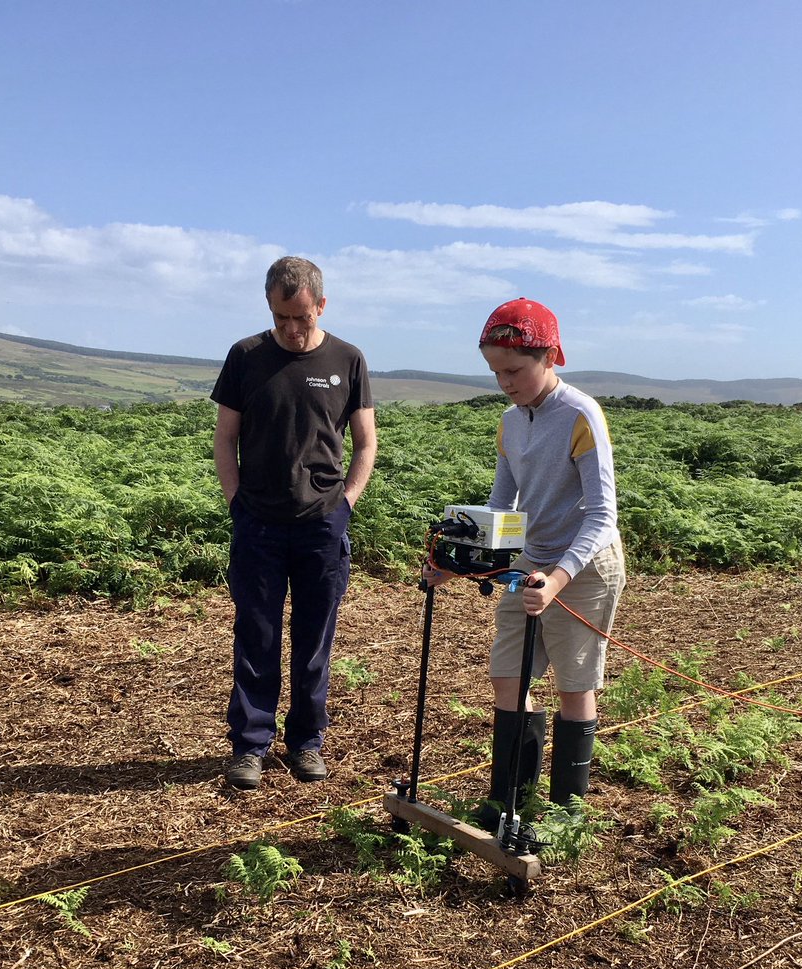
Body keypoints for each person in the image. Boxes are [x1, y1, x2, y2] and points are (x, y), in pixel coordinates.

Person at [425, 298, 625, 817]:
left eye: (514, 370)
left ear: (550, 356)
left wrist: (558, 579)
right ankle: (510, 796)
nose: (506, 382)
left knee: (574, 683)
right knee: (507, 674)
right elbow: (501, 507)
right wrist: (458, 562)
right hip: (530, 566)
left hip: (583, 568)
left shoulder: (581, 414)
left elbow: (602, 515)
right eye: (495, 372)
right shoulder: (511, 422)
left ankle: (566, 813)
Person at [212, 256, 377, 790]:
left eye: (300, 318)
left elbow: (366, 442)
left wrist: (346, 503)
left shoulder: (348, 359)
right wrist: (237, 502)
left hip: (322, 525)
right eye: (280, 318)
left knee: (314, 640)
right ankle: (249, 747)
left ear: (320, 305)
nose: (289, 329)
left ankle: (306, 741)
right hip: (258, 523)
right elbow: (225, 439)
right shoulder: (245, 356)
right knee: (255, 636)